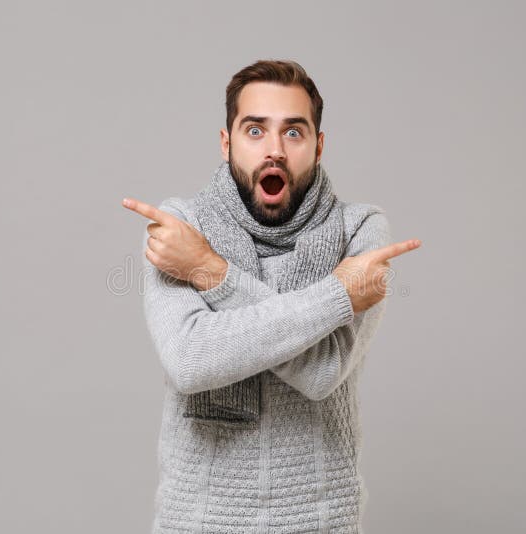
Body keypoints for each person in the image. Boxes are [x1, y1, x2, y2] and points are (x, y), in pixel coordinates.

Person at [122, 59, 421, 533]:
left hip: (321, 522)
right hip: (196, 523)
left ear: (319, 146)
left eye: (294, 133)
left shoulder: (360, 230)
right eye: (255, 131)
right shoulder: (181, 227)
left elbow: (323, 371)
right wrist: (337, 293)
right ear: (227, 143)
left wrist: (208, 271)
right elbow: (191, 359)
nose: (275, 150)